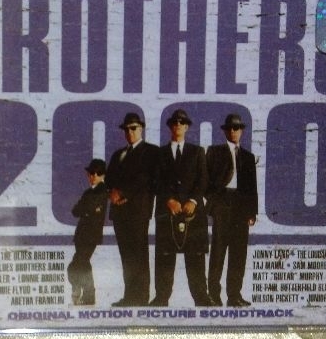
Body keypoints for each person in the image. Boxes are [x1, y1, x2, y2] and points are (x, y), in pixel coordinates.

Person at [151, 109, 211, 307]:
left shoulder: (197, 151)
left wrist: (193, 200)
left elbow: (203, 180)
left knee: (195, 256)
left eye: (182, 123)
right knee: (164, 257)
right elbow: (155, 181)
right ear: (170, 126)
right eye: (174, 123)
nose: (178, 125)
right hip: (166, 212)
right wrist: (168, 200)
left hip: (192, 213)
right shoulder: (159, 153)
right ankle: (161, 298)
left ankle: (201, 297)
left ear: (186, 127)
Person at [105, 112, 159, 307]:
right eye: (126, 129)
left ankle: (141, 297)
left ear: (141, 128)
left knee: (138, 254)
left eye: (133, 128)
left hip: (138, 211)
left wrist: (123, 193)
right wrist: (111, 192)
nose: (130, 132)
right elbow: (108, 179)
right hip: (119, 212)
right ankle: (129, 296)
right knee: (126, 256)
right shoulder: (118, 154)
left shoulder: (151, 151)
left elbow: (146, 179)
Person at [205, 113, 258, 307]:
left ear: (241, 130)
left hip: (241, 207)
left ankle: (234, 295)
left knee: (238, 253)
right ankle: (213, 295)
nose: (233, 131)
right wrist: (215, 203)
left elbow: (252, 188)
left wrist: (252, 213)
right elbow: (205, 180)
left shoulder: (248, 157)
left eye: (236, 128)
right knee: (218, 251)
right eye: (230, 128)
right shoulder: (214, 152)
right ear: (225, 131)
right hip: (222, 203)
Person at [66, 159, 108, 306]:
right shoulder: (88, 192)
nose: (93, 176)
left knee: (78, 264)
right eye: (91, 173)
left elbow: (85, 209)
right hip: (81, 234)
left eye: (98, 173)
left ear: (103, 175)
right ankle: (87, 294)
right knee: (81, 264)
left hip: (91, 235)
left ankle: (83, 291)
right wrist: (88, 210)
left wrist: (86, 209)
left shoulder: (103, 190)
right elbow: (75, 211)